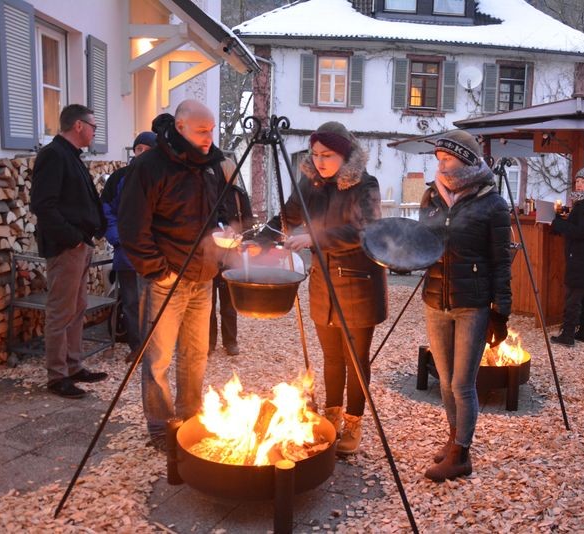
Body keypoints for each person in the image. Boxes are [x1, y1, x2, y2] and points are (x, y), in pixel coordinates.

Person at [258, 121, 387, 455]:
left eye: (327, 154)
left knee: (355, 360)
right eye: (315, 154)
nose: (319, 161)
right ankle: (332, 417)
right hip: (323, 283)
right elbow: (287, 215)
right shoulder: (311, 183)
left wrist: (314, 237)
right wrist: (260, 240)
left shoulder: (365, 186)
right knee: (331, 357)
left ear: (344, 155)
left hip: (359, 283)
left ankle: (354, 423)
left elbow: (363, 233)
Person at [119, 100, 225, 451]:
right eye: (201, 131)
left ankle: (191, 417)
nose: (209, 137)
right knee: (158, 358)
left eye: (211, 130)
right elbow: (133, 226)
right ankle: (161, 426)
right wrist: (157, 271)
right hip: (166, 279)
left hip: (203, 276)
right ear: (180, 127)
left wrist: (226, 237)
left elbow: (218, 212)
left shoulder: (209, 165)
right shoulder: (150, 166)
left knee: (196, 355)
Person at [419, 130, 511, 482]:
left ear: (467, 159)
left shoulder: (493, 203)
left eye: (448, 159)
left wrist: (500, 312)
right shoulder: (433, 195)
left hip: (472, 304)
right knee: (443, 380)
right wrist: (400, 250)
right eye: (438, 159)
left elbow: (502, 262)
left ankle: (462, 454)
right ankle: (454, 439)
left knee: (462, 383)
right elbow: (423, 241)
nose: (441, 164)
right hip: (435, 299)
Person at [30, 104, 108, 399]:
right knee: (61, 312)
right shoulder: (53, 155)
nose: (94, 131)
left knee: (77, 309)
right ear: (78, 125)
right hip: (67, 247)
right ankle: (57, 376)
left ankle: (74, 366)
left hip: (80, 245)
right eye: (93, 126)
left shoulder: (70, 156)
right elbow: (43, 205)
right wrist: (73, 239)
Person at [100, 131, 157, 362]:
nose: (142, 153)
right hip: (127, 253)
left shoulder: (162, 177)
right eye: (139, 148)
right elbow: (106, 211)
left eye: (147, 149)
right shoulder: (119, 178)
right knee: (131, 302)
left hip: (155, 254)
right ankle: (137, 346)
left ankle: (155, 346)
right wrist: (118, 239)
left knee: (154, 302)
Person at [549, 167, 584, 347]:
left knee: (573, 298)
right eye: (578, 181)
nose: (579, 185)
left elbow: (582, 231)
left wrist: (557, 224)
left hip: (583, 259)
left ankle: (567, 335)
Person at [209, 158, 253, 356]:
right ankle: (208, 342)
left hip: (232, 254)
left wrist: (245, 240)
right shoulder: (209, 195)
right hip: (210, 254)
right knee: (208, 303)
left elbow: (248, 223)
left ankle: (230, 342)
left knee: (229, 302)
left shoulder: (238, 195)